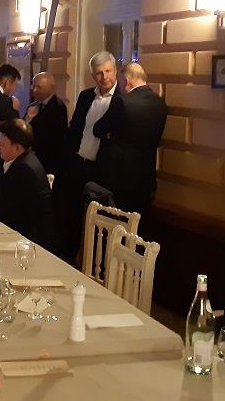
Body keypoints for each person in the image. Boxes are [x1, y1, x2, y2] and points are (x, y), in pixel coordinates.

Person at [54, 50, 119, 262]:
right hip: (78, 162)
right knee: (71, 214)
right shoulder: (86, 96)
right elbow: (76, 128)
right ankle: (67, 258)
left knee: (98, 221)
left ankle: (94, 263)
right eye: (99, 73)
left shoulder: (122, 99)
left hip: (102, 168)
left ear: (115, 71)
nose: (104, 77)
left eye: (108, 71)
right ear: (93, 76)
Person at [92, 62, 167, 215]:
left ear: (126, 81)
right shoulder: (160, 103)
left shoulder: (123, 102)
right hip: (146, 178)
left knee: (116, 224)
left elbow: (98, 129)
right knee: (138, 224)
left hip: (120, 179)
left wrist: (110, 135)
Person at [0, 119, 57, 251]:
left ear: (17, 148)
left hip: (32, 245)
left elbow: (1, 208)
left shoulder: (25, 169)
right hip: (18, 231)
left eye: (1, 144)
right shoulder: (21, 161)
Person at [25, 72, 68, 176]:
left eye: (38, 87)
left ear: (51, 89)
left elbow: (54, 138)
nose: (34, 90)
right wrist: (28, 119)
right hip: (32, 157)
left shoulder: (58, 107)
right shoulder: (34, 105)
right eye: (33, 85)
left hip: (48, 160)